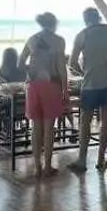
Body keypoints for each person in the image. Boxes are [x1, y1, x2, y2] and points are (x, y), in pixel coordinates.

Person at [68, 7, 107, 173]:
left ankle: (82, 160)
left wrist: (85, 73)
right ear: (99, 18)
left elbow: (72, 62)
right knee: (106, 123)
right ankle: (101, 159)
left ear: (85, 20)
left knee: (85, 122)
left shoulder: (82, 35)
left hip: (90, 84)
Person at [19, 12, 68, 177]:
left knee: (36, 127)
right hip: (51, 84)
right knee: (49, 127)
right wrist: (65, 89)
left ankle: (37, 166)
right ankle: (47, 165)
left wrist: (32, 71)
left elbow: (20, 63)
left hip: (33, 85)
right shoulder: (59, 41)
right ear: (54, 23)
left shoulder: (32, 39)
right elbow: (61, 67)